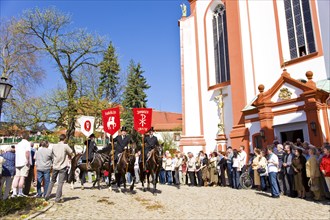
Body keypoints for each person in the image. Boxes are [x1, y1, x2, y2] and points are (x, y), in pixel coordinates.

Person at [44, 134, 74, 203]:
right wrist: (68, 156)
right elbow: (72, 153)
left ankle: (47, 195)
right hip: (62, 166)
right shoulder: (65, 146)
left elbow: (51, 155)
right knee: (60, 183)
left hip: (55, 165)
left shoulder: (54, 146)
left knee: (52, 181)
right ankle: (57, 198)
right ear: (65, 139)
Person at [12, 132, 31, 197]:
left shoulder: (18, 144)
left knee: (16, 177)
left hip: (17, 162)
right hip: (24, 162)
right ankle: (20, 192)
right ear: (27, 137)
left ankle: (14, 192)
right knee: (22, 177)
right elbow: (27, 152)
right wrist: (28, 160)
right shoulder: (27, 143)